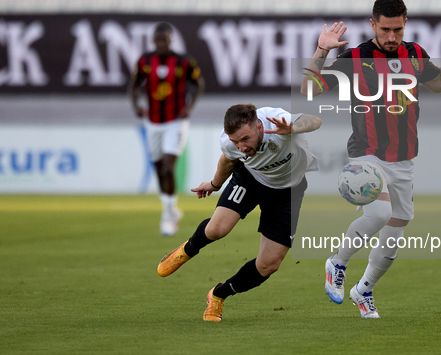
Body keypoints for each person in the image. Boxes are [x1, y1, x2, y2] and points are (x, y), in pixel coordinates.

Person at [301, 0, 441, 318]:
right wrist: (322, 50)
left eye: (397, 29)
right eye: (385, 30)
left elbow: (440, 83)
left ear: (405, 23)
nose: (391, 37)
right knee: (379, 213)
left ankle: (363, 290)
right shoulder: (356, 58)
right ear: (373, 25)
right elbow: (309, 89)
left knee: (393, 239)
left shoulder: (416, 54)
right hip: (367, 154)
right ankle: (337, 262)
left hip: (404, 159)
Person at [157, 104, 322, 322]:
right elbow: (228, 160)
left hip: (287, 193)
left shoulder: (277, 121)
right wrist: (215, 185)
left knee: (269, 264)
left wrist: (294, 127)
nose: (241, 147)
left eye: (245, 139)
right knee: (217, 229)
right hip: (250, 180)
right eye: (236, 141)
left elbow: (315, 121)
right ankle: (185, 251)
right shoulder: (230, 142)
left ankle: (218, 294)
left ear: (260, 127)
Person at [129, 22, 205, 236]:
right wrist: (136, 106)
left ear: (171, 40)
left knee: (168, 167)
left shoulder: (183, 62)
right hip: (152, 122)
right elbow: (133, 85)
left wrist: (189, 107)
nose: (161, 44)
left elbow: (198, 83)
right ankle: (171, 210)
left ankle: (168, 214)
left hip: (175, 121)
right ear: (153, 41)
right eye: (158, 40)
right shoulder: (144, 61)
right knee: (158, 168)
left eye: (165, 39)